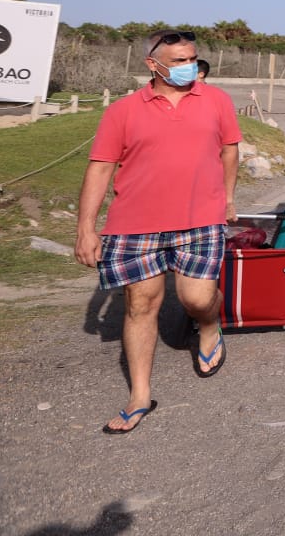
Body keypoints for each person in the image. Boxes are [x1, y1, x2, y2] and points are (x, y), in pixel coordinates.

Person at [75, 30, 240, 433]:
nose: (189, 67)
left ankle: (208, 326)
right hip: (135, 226)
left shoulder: (216, 100)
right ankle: (140, 396)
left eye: (192, 58)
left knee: (197, 298)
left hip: (201, 219)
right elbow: (100, 167)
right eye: (179, 60)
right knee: (139, 306)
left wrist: (229, 198)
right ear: (153, 64)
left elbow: (230, 148)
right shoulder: (123, 111)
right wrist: (86, 228)